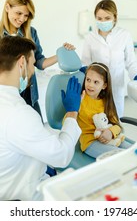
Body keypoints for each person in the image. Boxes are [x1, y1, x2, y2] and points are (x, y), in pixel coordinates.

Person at [0, 35, 81, 201]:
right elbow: (62, 155)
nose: (32, 72)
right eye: (31, 64)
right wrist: (72, 113)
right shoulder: (18, 114)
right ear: (22, 62)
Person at [0, 0, 75, 118]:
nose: (22, 19)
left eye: (26, 15)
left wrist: (60, 54)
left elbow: (39, 62)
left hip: (30, 93)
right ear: (7, 7)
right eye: (19, 13)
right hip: (8, 94)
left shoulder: (31, 32)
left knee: (36, 126)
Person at [81, 0, 137, 118]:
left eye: (107, 18)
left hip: (116, 86)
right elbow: (85, 62)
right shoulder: (90, 37)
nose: (103, 21)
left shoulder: (124, 35)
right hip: (97, 87)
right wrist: (83, 70)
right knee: (96, 120)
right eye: (99, 18)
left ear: (115, 17)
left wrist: (136, 75)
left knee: (115, 120)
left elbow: (130, 62)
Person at [77, 62, 132, 159]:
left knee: (134, 150)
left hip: (110, 137)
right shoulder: (80, 99)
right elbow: (67, 122)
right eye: (88, 80)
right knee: (122, 157)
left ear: (104, 85)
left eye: (96, 82)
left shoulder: (106, 101)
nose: (90, 85)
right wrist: (74, 106)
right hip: (90, 141)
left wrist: (110, 132)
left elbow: (117, 125)